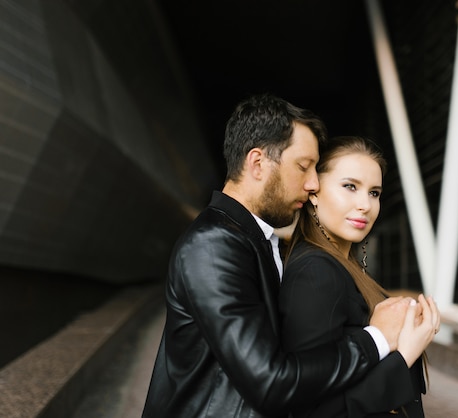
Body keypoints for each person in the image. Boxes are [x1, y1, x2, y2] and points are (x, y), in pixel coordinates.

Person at [142, 95, 427, 418]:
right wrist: (378, 338)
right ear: (257, 163)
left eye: (374, 192)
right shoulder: (213, 244)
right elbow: (270, 382)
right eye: (304, 167)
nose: (312, 183)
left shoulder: (257, 241)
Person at [280, 136, 440, 417]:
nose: (365, 204)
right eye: (350, 187)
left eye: (374, 193)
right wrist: (405, 353)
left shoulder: (340, 264)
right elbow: (315, 410)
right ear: (314, 192)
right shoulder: (315, 272)